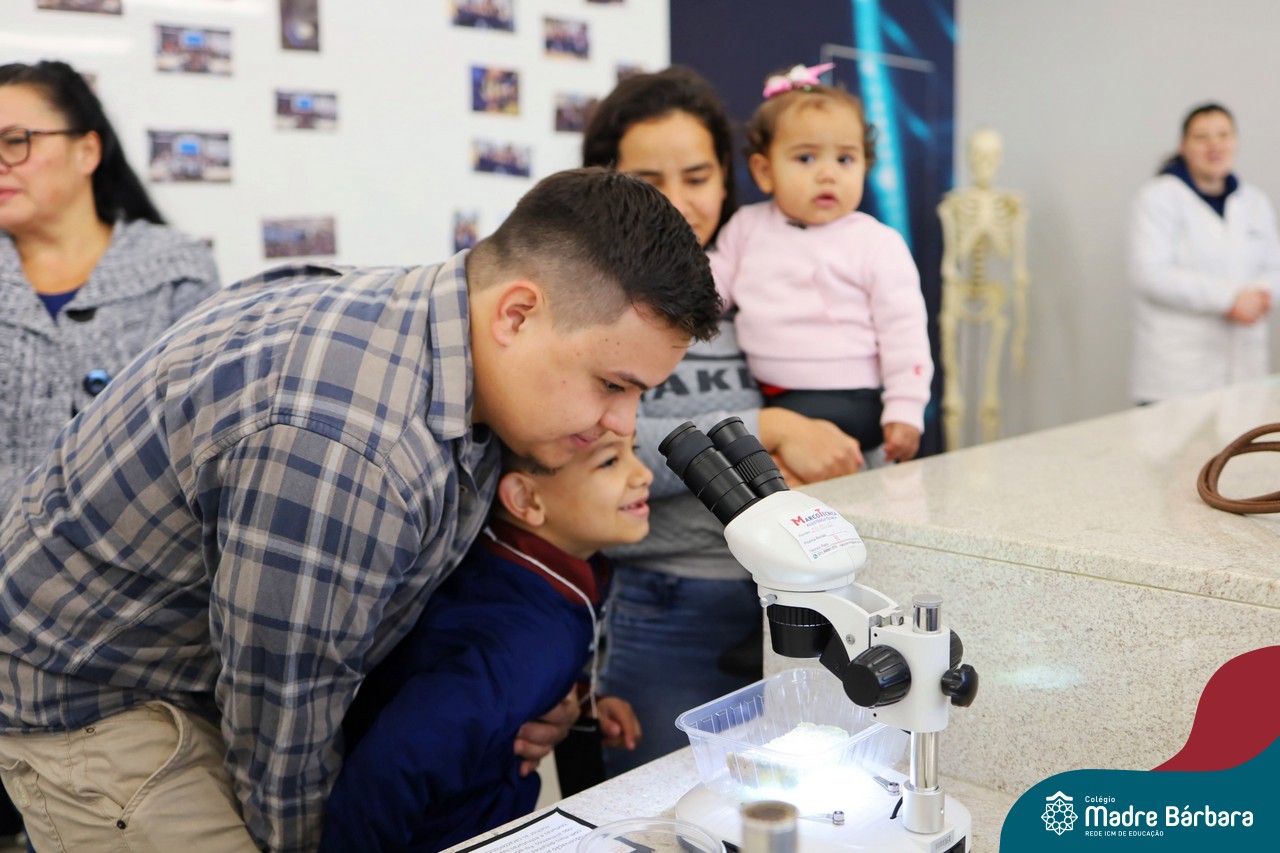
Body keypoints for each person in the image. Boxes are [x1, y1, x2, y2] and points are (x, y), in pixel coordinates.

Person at [0, 166, 721, 853]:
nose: (624, 423)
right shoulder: (349, 441)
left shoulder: (444, 321)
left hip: (218, 674)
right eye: (611, 385)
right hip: (99, 696)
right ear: (518, 312)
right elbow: (284, 719)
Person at [582, 66, 865, 776]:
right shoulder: (591, 302)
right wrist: (764, 427)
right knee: (661, 807)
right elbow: (599, 445)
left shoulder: (765, 281)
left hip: (798, 597)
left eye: (698, 176)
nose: (678, 202)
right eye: (648, 180)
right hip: (666, 601)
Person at [320, 432, 648, 851]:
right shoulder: (526, 640)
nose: (644, 474)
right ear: (526, 499)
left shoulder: (514, 565)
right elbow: (393, 765)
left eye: (633, 452)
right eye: (609, 462)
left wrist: (579, 698)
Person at [0, 60, 220, 507]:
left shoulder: (177, 271)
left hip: (152, 546)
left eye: (14, 141)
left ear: (87, 151)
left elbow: (208, 436)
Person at [711, 63, 934, 466]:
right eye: (806, 158)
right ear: (764, 171)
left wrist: (906, 407)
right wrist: (677, 305)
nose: (828, 174)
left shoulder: (876, 243)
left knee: (783, 465)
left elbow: (904, 332)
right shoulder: (747, 227)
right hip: (766, 393)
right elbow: (713, 282)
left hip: (852, 399)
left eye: (845, 159)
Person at [1128, 102, 1280, 404]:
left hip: (1246, 369)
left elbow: (1274, 267)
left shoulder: (1254, 201)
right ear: (1183, 145)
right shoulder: (1158, 198)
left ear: (1235, 141)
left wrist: (1257, 297)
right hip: (1178, 374)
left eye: (1224, 135)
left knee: (1244, 434)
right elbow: (1149, 274)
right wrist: (1229, 298)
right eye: (1202, 137)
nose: (1215, 145)